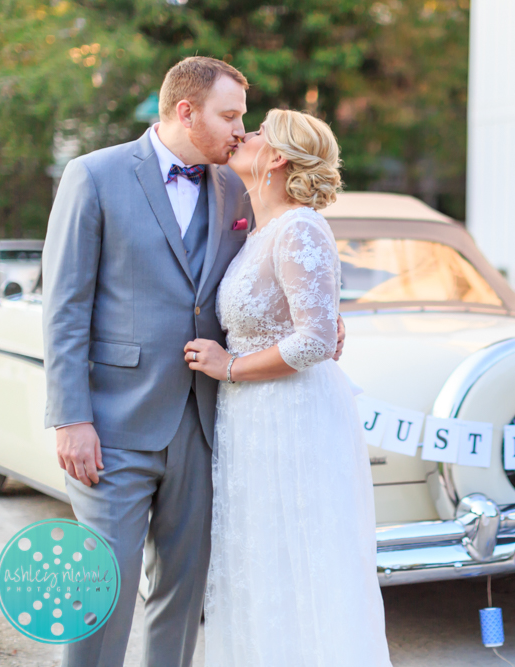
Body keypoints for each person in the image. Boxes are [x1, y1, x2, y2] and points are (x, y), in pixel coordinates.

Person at [42, 57, 345, 667]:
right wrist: (70, 416)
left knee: (182, 596)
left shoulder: (238, 184)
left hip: (209, 426)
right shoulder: (93, 176)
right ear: (186, 110)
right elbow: (64, 306)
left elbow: (279, 266)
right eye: (229, 115)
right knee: (103, 585)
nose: (240, 129)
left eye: (242, 118)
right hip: (114, 424)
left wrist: (327, 318)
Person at [184, 109, 392, 665]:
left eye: (255, 132)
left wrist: (229, 366)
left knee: (301, 557)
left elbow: (315, 341)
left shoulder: (301, 226)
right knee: (261, 564)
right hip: (251, 420)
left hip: (292, 418)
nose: (241, 135)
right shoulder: (260, 232)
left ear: (275, 157)